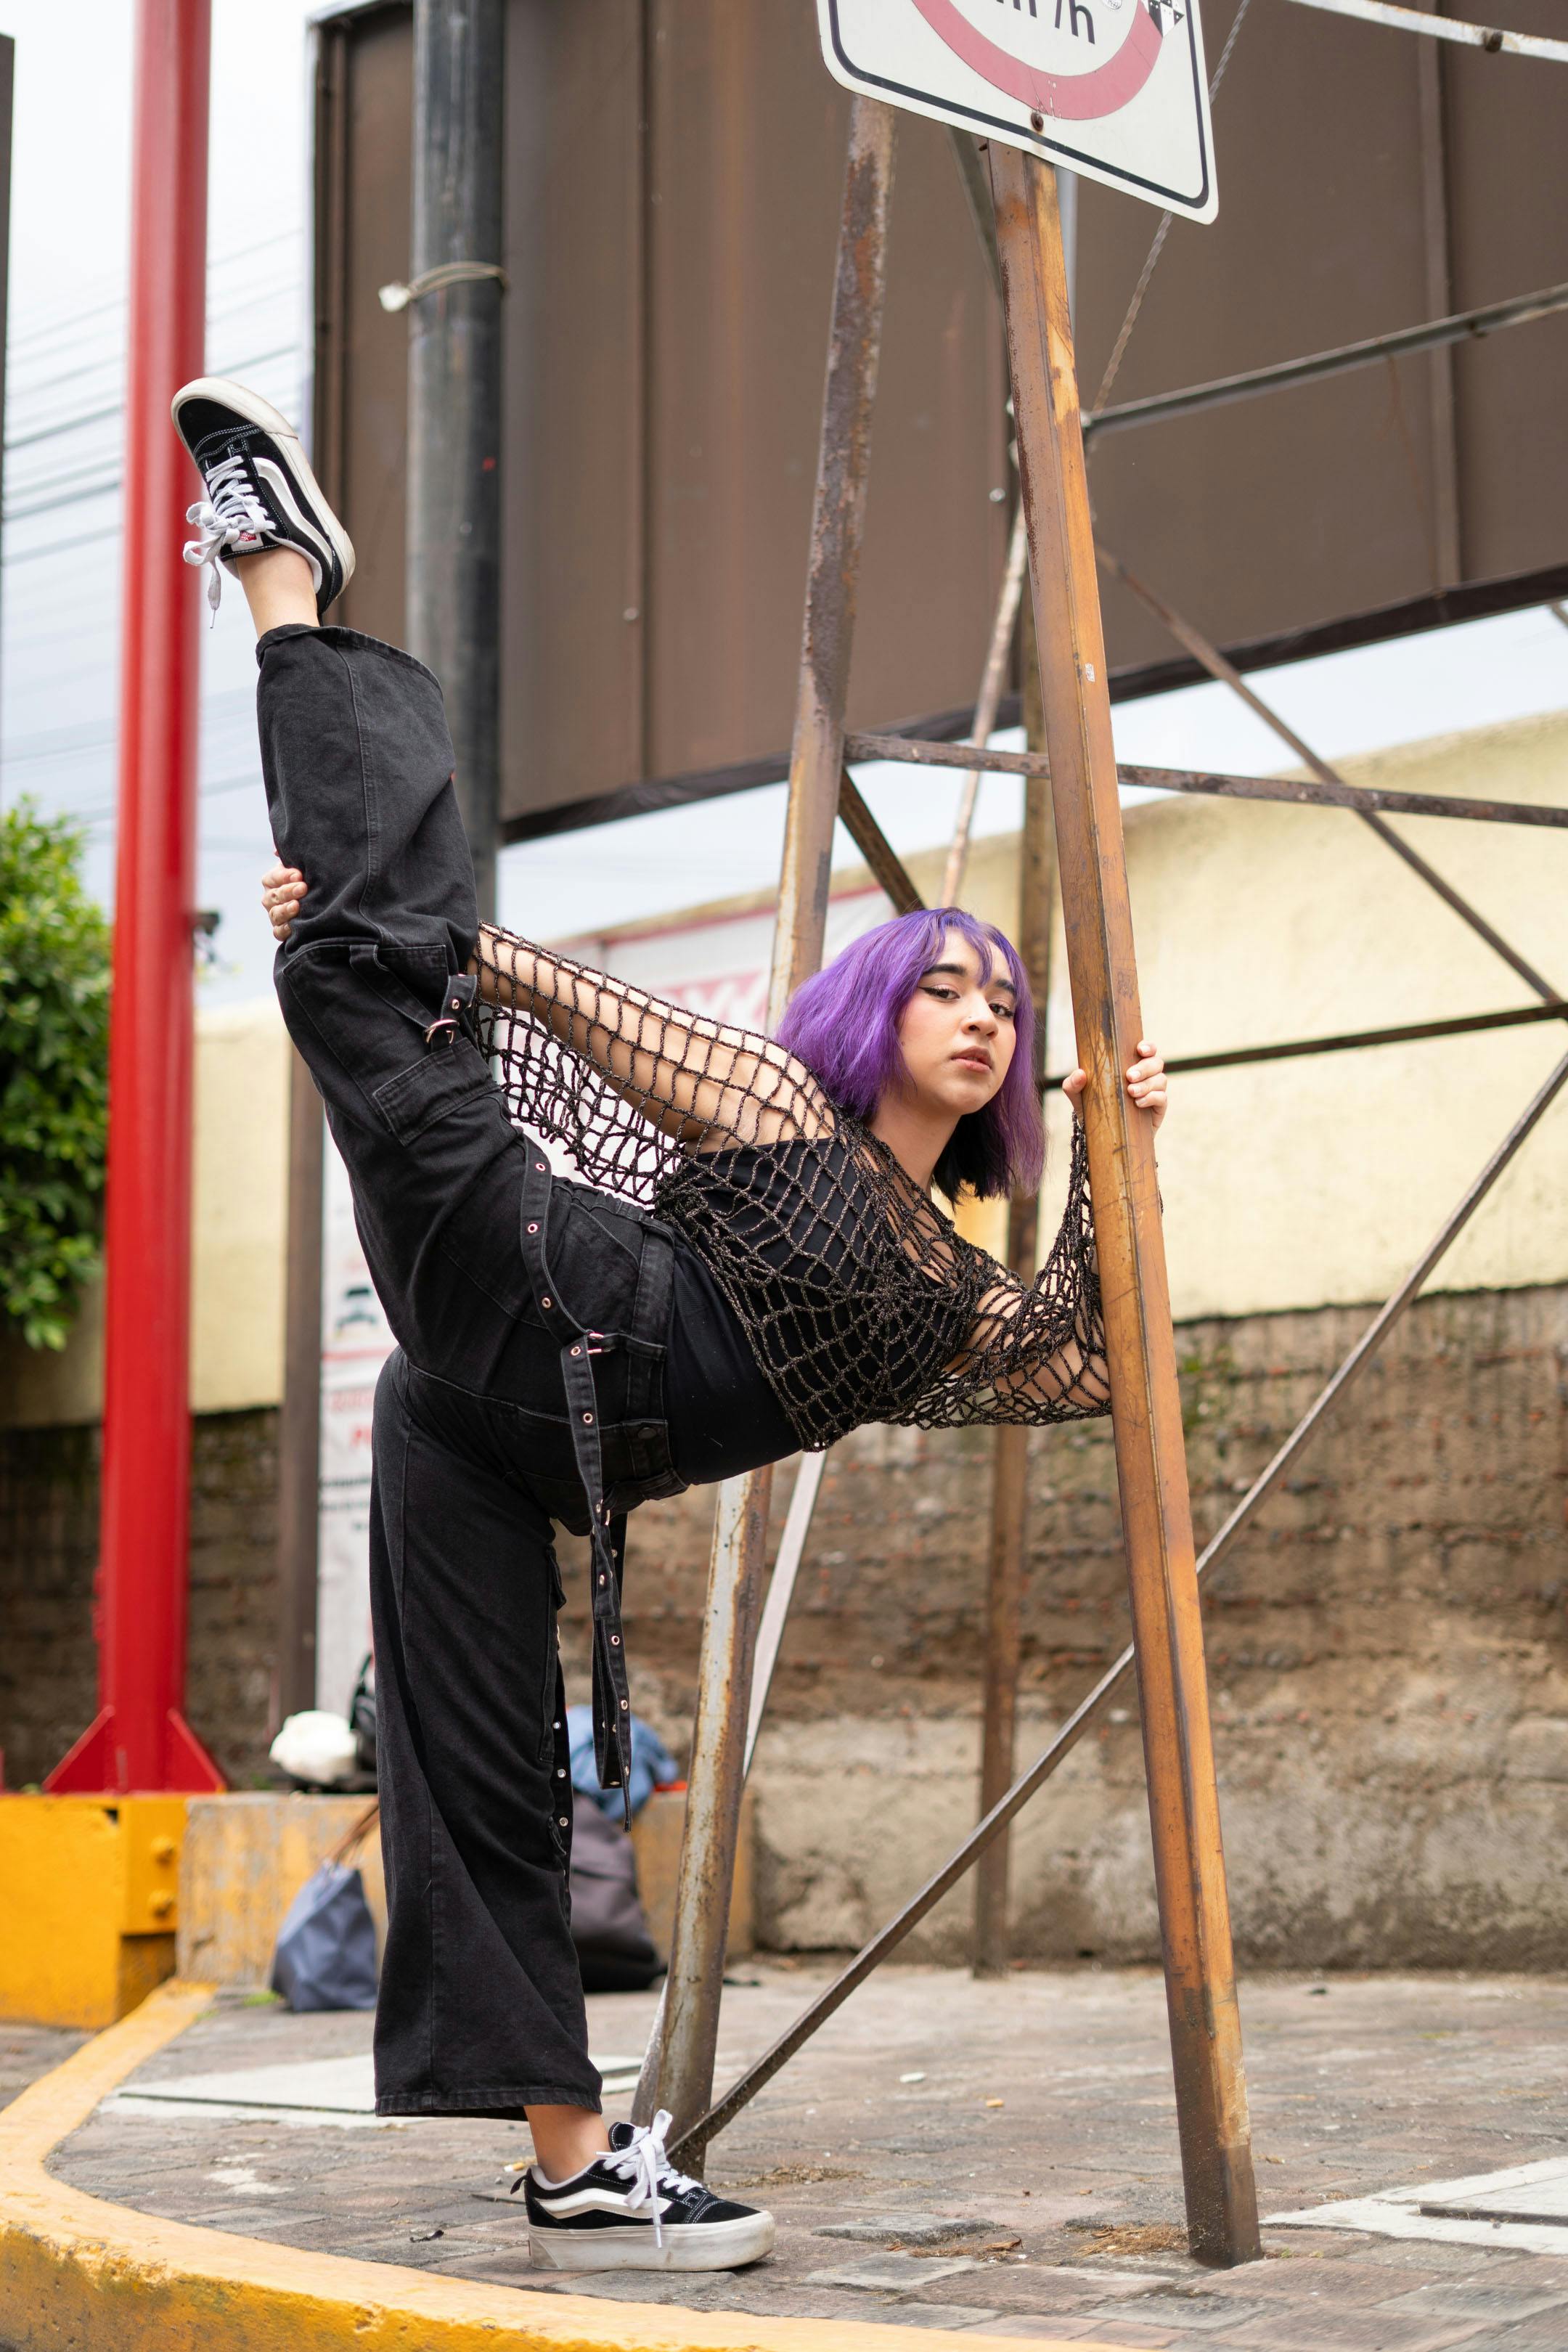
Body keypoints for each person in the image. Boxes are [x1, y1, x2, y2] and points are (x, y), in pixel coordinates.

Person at [173, 377, 1169, 2274]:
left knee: (476, 1769)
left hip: (512, 1431)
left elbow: (1092, 1359)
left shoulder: (958, 1295)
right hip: (539, 1282)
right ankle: (283, 582)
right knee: (357, 971)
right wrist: (380, 938)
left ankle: (571, 2157)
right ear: (878, 1010)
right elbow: (538, 993)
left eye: (1004, 1008)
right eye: (943, 986)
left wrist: (1124, 1159)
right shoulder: (781, 1110)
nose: (979, 1018)